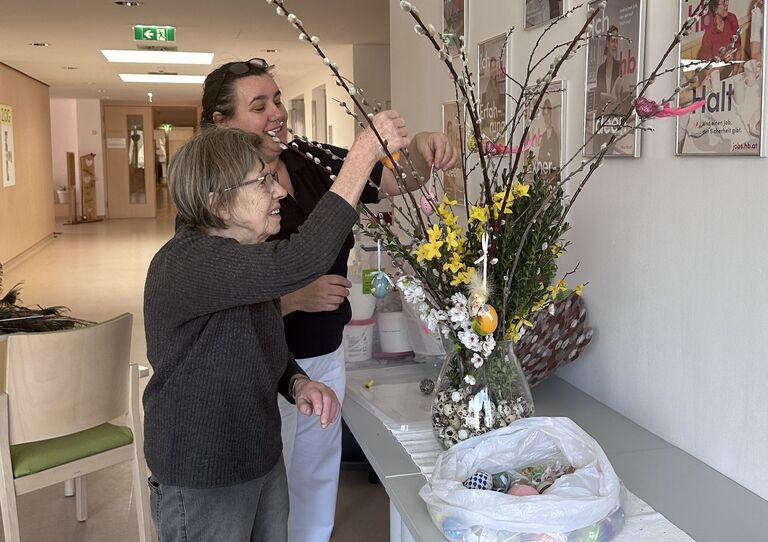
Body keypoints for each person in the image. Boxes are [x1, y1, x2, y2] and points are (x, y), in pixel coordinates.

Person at [200, 58, 457, 542]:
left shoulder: (308, 158)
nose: (277, 112)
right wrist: (293, 298)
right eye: (259, 106)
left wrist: (422, 148)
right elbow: (218, 303)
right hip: (261, 362)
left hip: (324, 348)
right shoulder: (212, 196)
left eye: (277, 100)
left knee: (317, 473)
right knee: (266, 485)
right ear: (222, 122)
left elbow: (393, 180)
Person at [143, 115, 409, 541]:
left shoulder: (243, 254)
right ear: (217, 202)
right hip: (205, 472)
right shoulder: (190, 262)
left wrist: (297, 382)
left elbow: (259, 338)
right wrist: (362, 156)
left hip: (259, 456)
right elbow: (302, 260)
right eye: (264, 181)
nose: (281, 191)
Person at [535, 98, 560, 181]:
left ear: (551, 115)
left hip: (552, 177)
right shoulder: (543, 135)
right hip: (543, 176)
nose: (546, 117)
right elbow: (540, 158)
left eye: (547, 114)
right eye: (544, 114)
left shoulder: (555, 136)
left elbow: (556, 161)